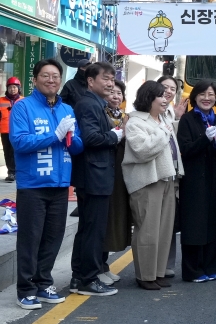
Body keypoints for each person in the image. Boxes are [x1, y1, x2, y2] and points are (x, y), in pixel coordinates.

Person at [11, 59, 83, 309]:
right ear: (34, 79)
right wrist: (54, 135)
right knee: (30, 239)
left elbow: (77, 146)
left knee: (53, 238)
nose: (51, 80)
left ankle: (43, 284)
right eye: (45, 75)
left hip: (60, 184)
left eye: (55, 76)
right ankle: (25, 289)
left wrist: (71, 138)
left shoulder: (66, 109)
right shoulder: (23, 107)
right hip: (33, 185)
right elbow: (19, 142)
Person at [123, 81, 185, 290]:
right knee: (148, 230)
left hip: (167, 178)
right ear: (148, 98)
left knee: (164, 230)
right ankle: (145, 275)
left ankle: (158, 272)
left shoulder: (163, 119)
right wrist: (163, 132)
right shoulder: (135, 121)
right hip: (147, 181)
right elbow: (142, 150)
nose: (165, 98)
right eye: (160, 95)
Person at [71, 61, 121, 296]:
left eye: (112, 78)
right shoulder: (89, 104)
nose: (110, 83)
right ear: (90, 81)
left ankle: (79, 276)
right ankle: (88, 279)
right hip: (94, 175)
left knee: (88, 228)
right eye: (105, 79)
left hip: (96, 174)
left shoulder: (97, 103)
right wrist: (115, 135)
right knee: (93, 229)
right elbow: (90, 138)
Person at [176, 80, 216, 283]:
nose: (207, 98)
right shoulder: (187, 120)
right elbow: (186, 149)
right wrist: (205, 138)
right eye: (202, 94)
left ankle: (210, 266)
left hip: (213, 176)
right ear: (194, 97)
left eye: (211, 95)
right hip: (193, 178)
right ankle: (192, 270)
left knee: (212, 221)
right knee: (194, 223)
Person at [157, 76, 187, 277]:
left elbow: (173, 139)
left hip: (173, 174)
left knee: (170, 221)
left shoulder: (169, 112)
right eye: (165, 87)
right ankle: (154, 266)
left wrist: (176, 118)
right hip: (157, 175)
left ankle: (167, 264)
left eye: (172, 89)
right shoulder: (147, 111)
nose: (168, 91)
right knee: (155, 223)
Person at [101, 82, 130, 286]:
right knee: (103, 221)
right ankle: (97, 266)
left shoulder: (125, 117)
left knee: (113, 221)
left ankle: (104, 266)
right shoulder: (101, 115)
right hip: (104, 173)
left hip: (120, 175)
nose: (116, 96)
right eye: (112, 92)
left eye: (119, 93)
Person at [1, 76, 23, 182]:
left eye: (14, 87)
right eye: (10, 87)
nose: (12, 89)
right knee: (7, 152)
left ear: (19, 88)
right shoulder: (1, 101)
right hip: (5, 131)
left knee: (18, 151)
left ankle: (19, 172)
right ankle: (11, 172)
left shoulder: (23, 100)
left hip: (20, 131)